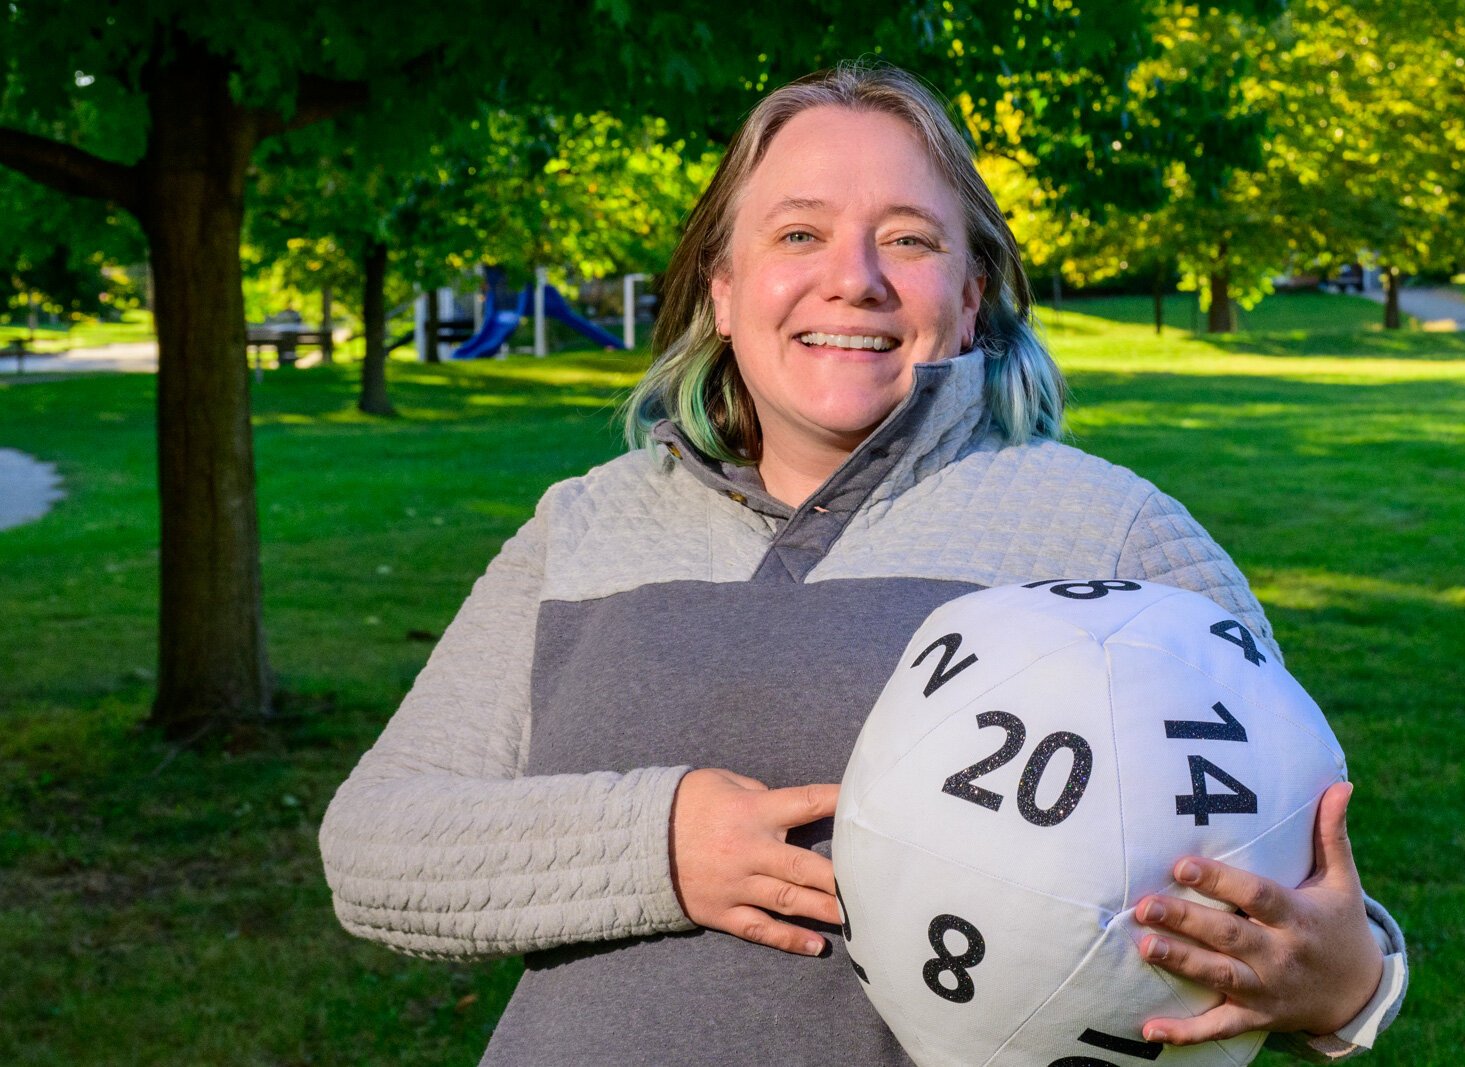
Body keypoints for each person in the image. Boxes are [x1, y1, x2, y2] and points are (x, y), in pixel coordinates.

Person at [319, 63, 1408, 1065]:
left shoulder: (1110, 536)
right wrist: (659, 843)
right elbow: (372, 848)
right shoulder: (582, 526)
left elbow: (1305, 884)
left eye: (909, 240)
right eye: (798, 235)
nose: (855, 281)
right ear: (722, 289)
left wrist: (1343, 979)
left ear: (971, 294)